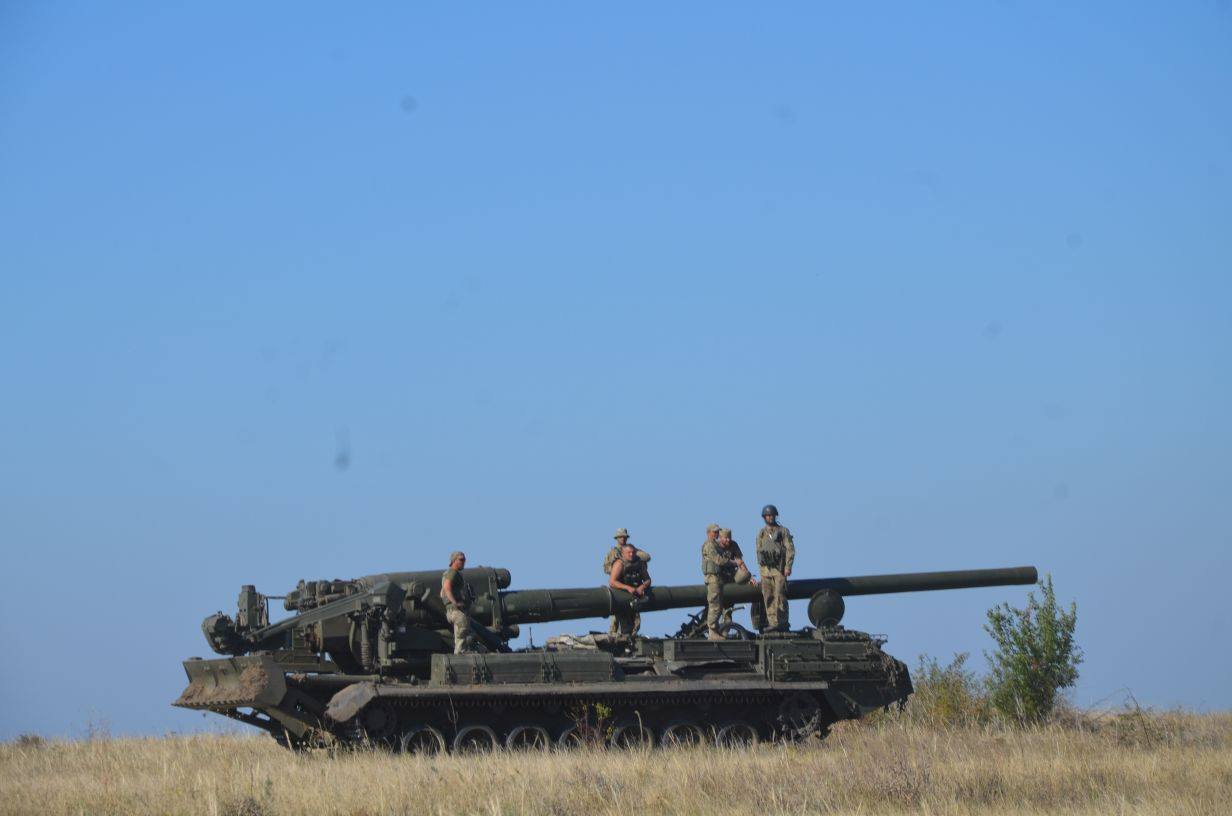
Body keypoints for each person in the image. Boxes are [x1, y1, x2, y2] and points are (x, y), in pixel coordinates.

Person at [702, 525, 754, 640]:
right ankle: (713, 633)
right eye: (724, 537)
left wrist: (748, 577)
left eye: (728, 538)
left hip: (726, 579)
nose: (727, 540)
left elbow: (740, 561)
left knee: (726, 608)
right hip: (715, 578)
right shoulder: (710, 545)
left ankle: (723, 632)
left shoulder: (730, 545)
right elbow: (719, 561)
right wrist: (734, 563)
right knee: (715, 606)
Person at [755, 504, 795, 631]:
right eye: (767, 515)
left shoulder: (783, 531)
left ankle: (783, 622)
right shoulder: (761, 533)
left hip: (779, 569)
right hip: (766, 570)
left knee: (780, 597)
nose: (770, 517)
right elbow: (758, 551)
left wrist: (788, 566)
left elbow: (790, 549)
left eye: (771, 515)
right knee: (768, 596)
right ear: (764, 517)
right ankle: (772, 623)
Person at [603, 528, 651, 634]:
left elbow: (647, 557)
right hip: (619, 587)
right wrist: (619, 567)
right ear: (617, 538)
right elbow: (607, 569)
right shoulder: (613, 553)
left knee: (635, 620)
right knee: (616, 619)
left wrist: (633, 555)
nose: (623, 539)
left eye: (624, 537)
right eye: (620, 537)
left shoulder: (633, 550)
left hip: (633, 588)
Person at [440, 551, 476, 654]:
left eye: (464, 559)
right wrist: (455, 602)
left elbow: (441, 593)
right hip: (457, 611)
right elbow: (447, 588)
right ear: (454, 560)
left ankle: (459, 654)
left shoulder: (447, 573)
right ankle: (461, 656)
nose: (464, 562)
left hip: (451, 612)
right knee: (463, 633)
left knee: (461, 635)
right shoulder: (452, 573)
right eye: (461, 559)